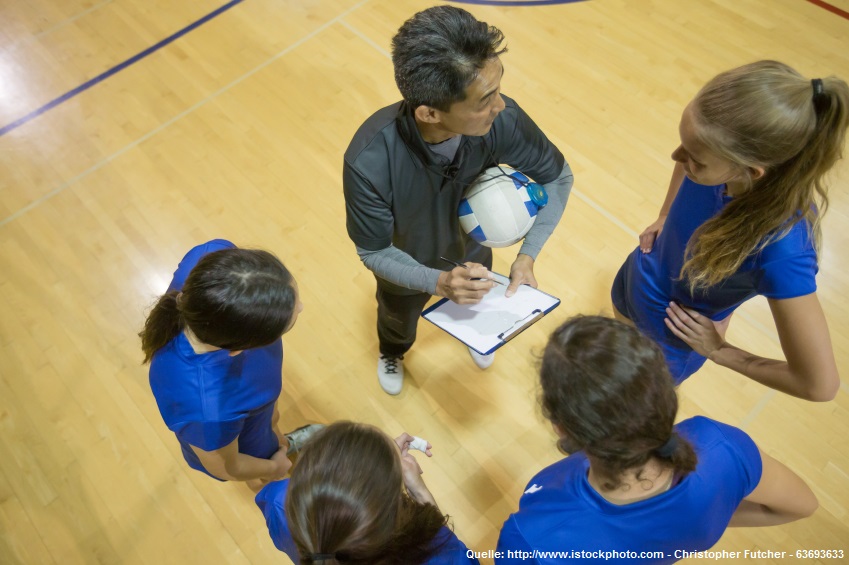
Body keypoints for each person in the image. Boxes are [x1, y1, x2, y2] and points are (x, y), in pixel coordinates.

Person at [343, 5, 574, 395]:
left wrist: (527, 254)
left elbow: (558, 177)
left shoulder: (502, 120)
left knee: (474, 296)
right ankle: (393, 351)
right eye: (484, 100)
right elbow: (374, 251)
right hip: (406, 271)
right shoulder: (369, 161)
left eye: (499, 88)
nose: (500, 105)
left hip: (472, 253)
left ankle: (473, 333)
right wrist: (437, 282)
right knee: (397, 321)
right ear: (430, 112)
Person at [611, 60, 847, 401]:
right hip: (636, 279)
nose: (677, 156)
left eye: (695, 158)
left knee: (625, 405)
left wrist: (721, 351)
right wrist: (665, 215)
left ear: (751, 171)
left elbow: (819, 385)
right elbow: (683, 161)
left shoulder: (783, 249)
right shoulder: (714, 160)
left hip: (671, 339)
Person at [496, 316, 818, 564]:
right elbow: (803, 506)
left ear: (560, 427)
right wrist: (712, 517)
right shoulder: (723, 446)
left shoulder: (529, 538)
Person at [140, 239, 322, 487]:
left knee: (273, 425)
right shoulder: (208, 410)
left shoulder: (212, 255)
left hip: (260, 410)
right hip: (247, 443)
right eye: (285, 324)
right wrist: (274, 467)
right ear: (238, 350)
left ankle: (284, 443)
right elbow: (230, 466)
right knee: (262, 477)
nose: (301, 307)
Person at [255, 421, 480, 564]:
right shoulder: (440, 554)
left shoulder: (279, 504)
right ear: (395, 514)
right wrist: (419, 490)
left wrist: (378, 471)